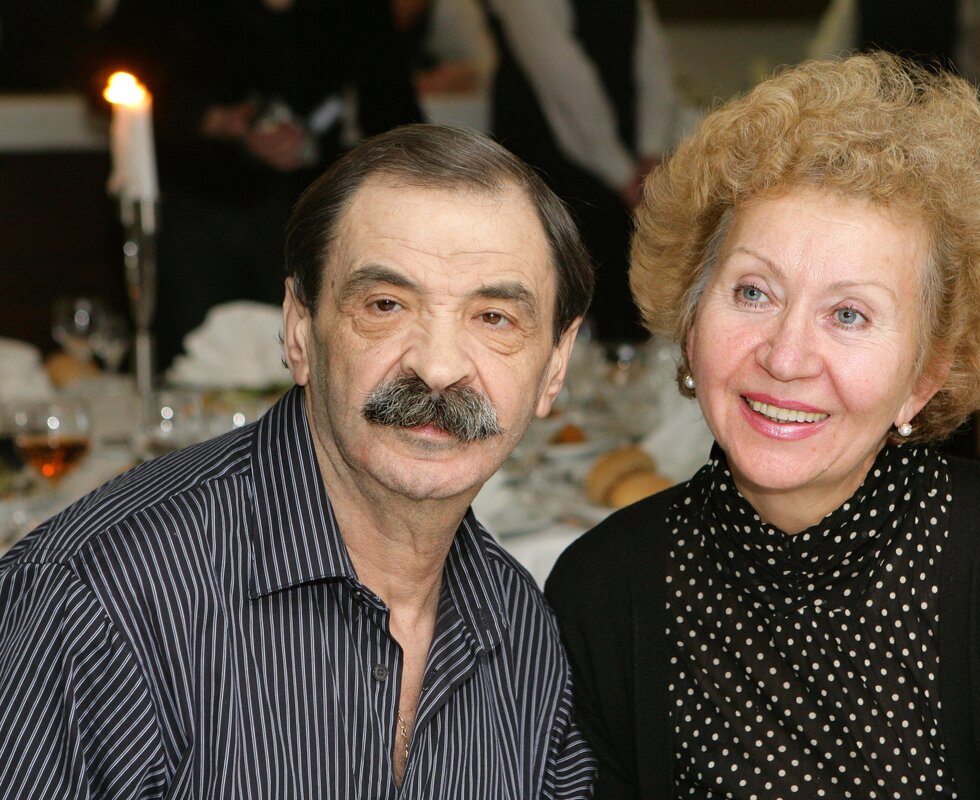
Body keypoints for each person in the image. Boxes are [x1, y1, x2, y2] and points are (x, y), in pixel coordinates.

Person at [546, 52, 980, 799]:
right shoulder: (602, 594)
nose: (786, 356)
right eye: (754, 292)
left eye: (850, 314)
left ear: (926, 375)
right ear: (691, 323)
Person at [0, 124, 597, 798]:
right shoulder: (96, 602)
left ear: (555, 365)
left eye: (494, 318)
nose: (437, 366)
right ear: (298, 330)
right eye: (386, 305)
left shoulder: (522, 629)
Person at [91, 0, 426, 370]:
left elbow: (395, 110)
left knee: (302, 361)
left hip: (312, 214)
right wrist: (212, 119)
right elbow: (104, 77)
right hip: (194, 211)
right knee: (195, 360)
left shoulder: (355, 9)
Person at [484, 0, 679, 344]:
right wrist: (624, 175)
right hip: (548, 167)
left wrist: (650, 155)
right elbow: (562, 79)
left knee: (629, 305)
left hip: (627, 170)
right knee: (557, 304)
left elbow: (653, 67)